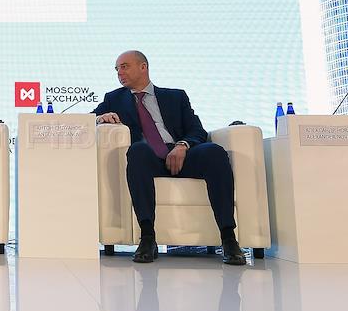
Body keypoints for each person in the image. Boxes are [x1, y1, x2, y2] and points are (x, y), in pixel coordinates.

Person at [93, 50, 245, 265]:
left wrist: (183, 145)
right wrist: (101, 117)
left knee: (214, 152)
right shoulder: (114, 98)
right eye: (117, 69)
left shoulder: (175, 96)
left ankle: (229, 239)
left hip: (181, 152)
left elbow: (197, 130)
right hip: (148, 158)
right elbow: (88, 119)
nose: (119, 73)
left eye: (124, 66)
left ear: (143, 67)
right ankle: (147, 238)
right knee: (137, 152)